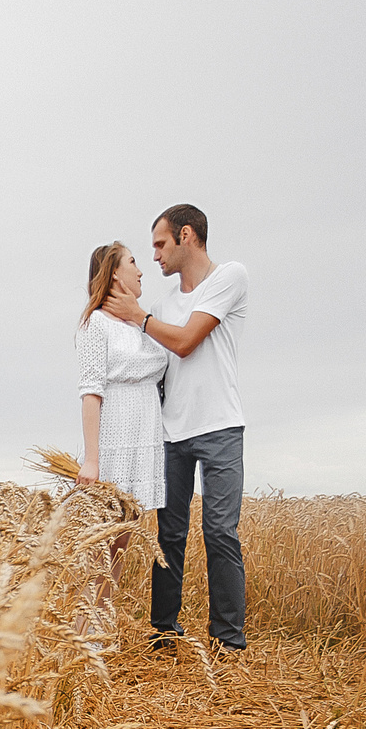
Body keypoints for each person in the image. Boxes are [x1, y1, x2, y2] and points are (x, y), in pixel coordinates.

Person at [101, 203, 249, 652]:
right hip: (171, 434)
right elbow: (150, 367)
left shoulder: (230, 277)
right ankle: (164, 632)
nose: (156, 256)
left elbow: (185, 343)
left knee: (220, 530)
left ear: (187, 236)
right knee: (170, 535)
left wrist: (139, 318)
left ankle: (228, 641)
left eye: (161, 244)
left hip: (221, 425)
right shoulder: (163, 305)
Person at [73, 240, 167, 613]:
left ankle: (98, 633)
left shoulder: (140, 323)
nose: (141, 270)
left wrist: (138, 315)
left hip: (143, 439)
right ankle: (85, 640)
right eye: (133, 262)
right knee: (101, 546)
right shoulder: (96, 323)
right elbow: (91, 392)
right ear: (114, 272)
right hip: (115, 439)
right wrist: (92, 460)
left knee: (119, 548)